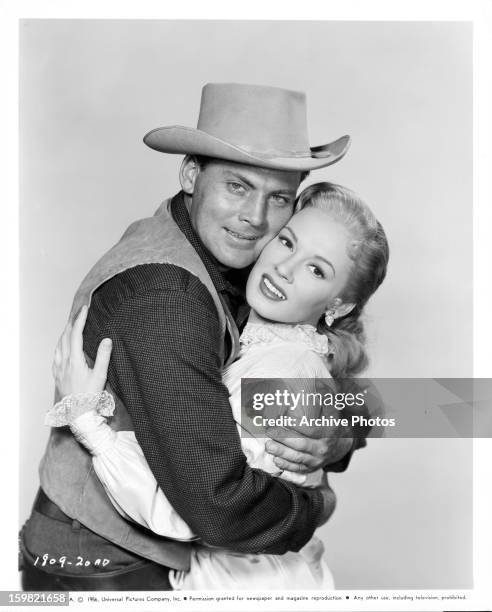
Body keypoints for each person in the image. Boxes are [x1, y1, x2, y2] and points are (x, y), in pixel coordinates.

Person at [20, 83, 369, 591]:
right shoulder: (168, 296)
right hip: (106, 569)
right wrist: (317, 507)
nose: (255, 218)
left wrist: (338, 433)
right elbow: (218, 506)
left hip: (150, 560)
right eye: (237, 186)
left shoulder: (257, 274)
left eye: (278, 198)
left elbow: (440, 403)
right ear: (190, 174)